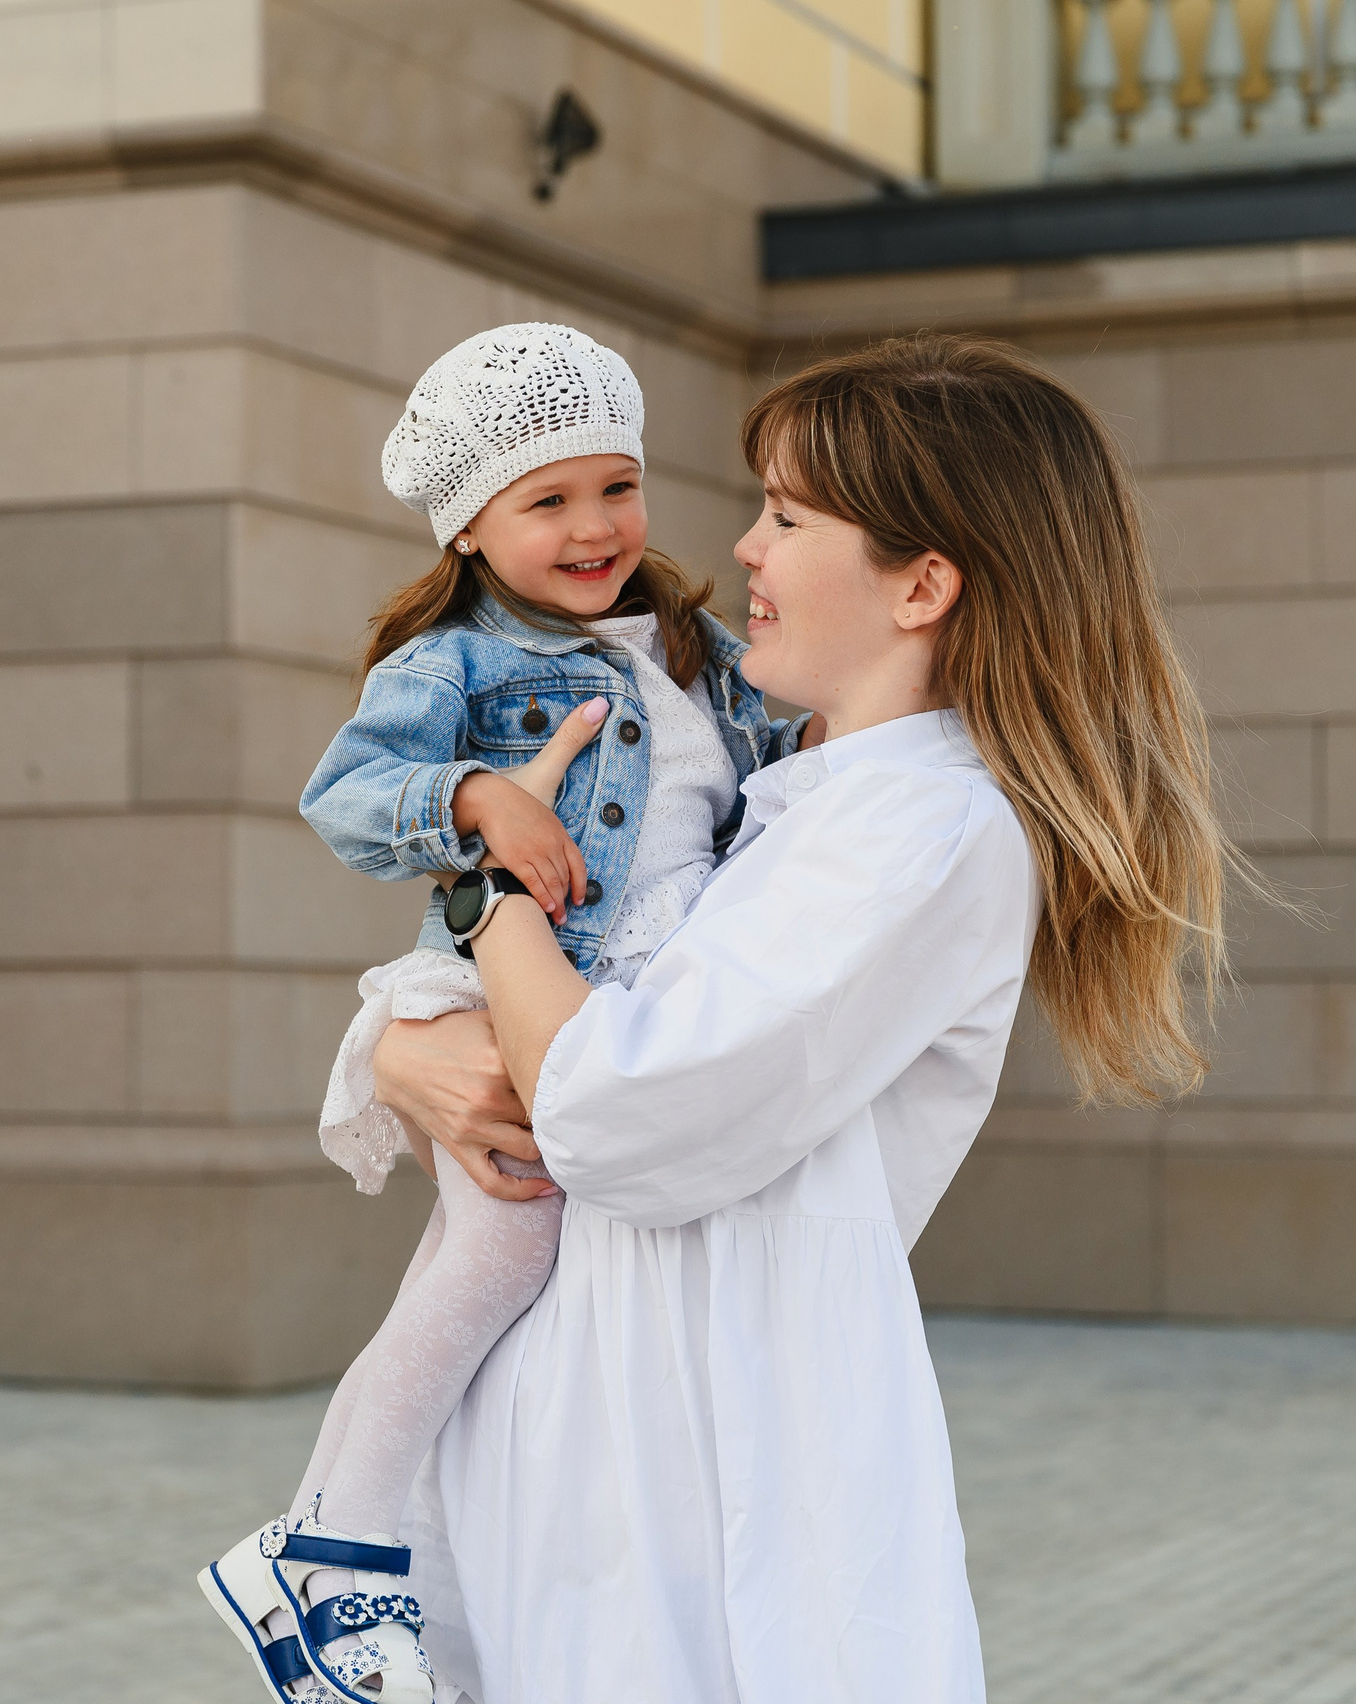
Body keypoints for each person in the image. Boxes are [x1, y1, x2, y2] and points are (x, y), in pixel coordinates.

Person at [364, 332, 1240, 1704]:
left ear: (922, 586)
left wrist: (486, 891)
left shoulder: (925, 833)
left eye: (785, 515)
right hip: (594, 1459)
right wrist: (403, 1047)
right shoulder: (782, 805)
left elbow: (611, 1111)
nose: (743, 550)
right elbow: (532, 1055)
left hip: (712, 1500)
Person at [198, 322, 811, 1704]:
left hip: (621, 1006)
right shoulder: (458, 661)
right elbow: (347, 797)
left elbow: (784, 753)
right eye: (548, 500)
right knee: (500, 1255)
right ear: (470, 525)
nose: (595, 527)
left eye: (618, 486)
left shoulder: (692, 643)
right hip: (504, 990)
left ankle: (339, 1558)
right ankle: (335, 1551)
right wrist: (476, 797)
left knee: (484, 1279)